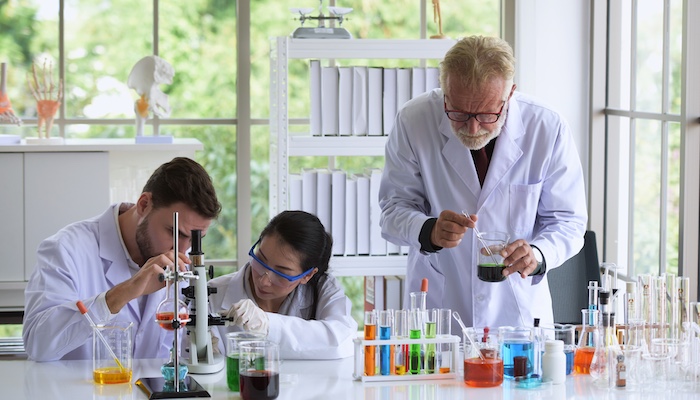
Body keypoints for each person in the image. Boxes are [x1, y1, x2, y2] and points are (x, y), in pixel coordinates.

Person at [378, 36, 587, 330]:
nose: (473, 128)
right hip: (442, 307)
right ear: (444, 93)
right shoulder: (415, 120)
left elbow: (569, 222)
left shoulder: (547, 127)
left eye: (487, 114)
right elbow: (393, 211)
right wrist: (429, 230)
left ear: (510, 93)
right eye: (459, 113)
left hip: (517, 312)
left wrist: (538, 254)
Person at [23, 157, 221, 361]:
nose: (183, 249)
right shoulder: (65, 249)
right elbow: (38, 344)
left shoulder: (181, 256)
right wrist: (121, 294)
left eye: (194, 239)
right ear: (144, 205)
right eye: (174, 231)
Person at [208, 210, 358, 359]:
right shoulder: (211, 295)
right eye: (260, 260)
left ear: (307, 275)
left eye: (281, 273)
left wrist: (268, 326)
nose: (264, 281)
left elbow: (344, 340)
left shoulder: (322, 288)